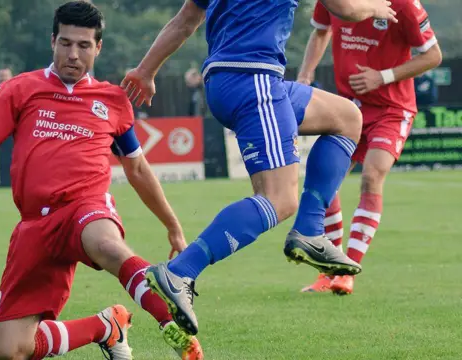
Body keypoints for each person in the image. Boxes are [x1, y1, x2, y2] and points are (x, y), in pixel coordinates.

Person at [0, 2, 203, 360]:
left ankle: (171, 322)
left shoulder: (113, 100)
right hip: (34, 227)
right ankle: (105, 326)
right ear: (52, 41)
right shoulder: (19, 89)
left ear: (98, 47)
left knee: (106, 244)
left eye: (83, 45)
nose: (73, 54)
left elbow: (137, 169)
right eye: (65, 43)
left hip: (85, 209)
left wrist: (172, 225)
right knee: (10, 349)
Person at [121, 0, 397, 336]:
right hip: (253, 78)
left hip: (232, 80)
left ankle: (310, 231)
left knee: (347, 118)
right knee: (279, 199)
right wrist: (375, 8)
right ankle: (180, 271)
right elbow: (345, 9)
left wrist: (145, 70)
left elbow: (185, 20)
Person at [296, 0, 442, 295]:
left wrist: (383, 76)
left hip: (392, 109)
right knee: (326, 180)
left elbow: (433, 56)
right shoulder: (333, 1)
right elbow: (320, 31)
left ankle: (348, 270)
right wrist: (305, 75)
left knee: (371, 176)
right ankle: (331, 268)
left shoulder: (404, 5)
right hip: (349, 108)